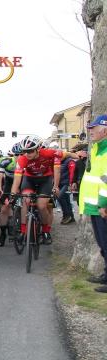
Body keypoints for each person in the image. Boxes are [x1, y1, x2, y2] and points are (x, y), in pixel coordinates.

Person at [10, 135, 77, 245]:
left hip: (45, 179)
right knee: (25, 201)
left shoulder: (48, 153)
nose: (27, 154)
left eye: (30, 151)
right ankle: (23, 231)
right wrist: (13, 193)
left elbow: (58, 170)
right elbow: (17, 179)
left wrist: (55, 186)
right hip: (29, 179)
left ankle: (46, 231)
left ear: (38, 149)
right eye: (25, 151)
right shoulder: (22, 159)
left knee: (41, 205)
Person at [78, 114, 107, 293]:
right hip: (96, 206)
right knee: (102, 243)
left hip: (102, 206)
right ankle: (106, 274)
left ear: (105, 130)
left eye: (94, 129)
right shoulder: (98, 148)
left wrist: (104, 203)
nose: (91, 132)